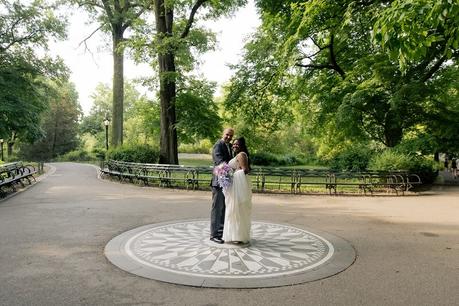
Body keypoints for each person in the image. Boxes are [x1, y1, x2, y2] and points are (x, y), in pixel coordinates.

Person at [222, 137, 252, 244]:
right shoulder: (238, 155)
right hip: (235, 186)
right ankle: (235, 235)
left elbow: (245, 170)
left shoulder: (241, 155)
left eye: (237, 144)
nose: (234, 146)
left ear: (242, 145)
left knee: (237, 210)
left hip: (238, 187)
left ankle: (238, 236)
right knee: (234, 210)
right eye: (233, 144)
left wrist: (230, 175)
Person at [210, 128, 234, 244]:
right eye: (227, 135)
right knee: (217, 208)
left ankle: (221, 232)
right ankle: (214, 235)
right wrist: (232, 168)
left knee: (224, 208)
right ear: (222, 134)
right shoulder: (218, 146)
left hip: (225, 183)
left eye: (231, 136)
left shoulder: (228, 146)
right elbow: (220, 162)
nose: (229, 137)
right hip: (218, 182)